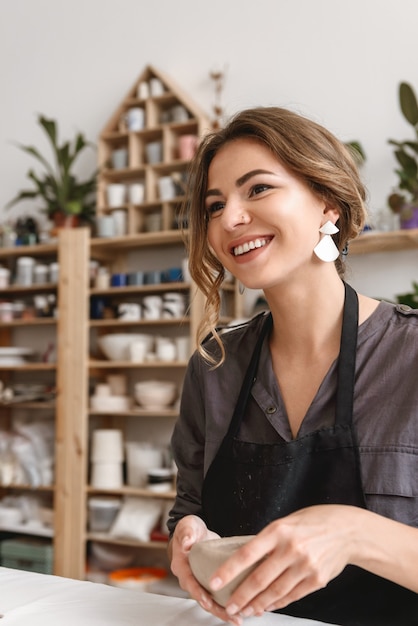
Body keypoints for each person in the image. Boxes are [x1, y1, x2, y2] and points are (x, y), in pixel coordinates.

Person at [167, 107, 418, 626]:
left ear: (327, 203)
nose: (230, 218)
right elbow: (190, 509)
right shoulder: (214, 367)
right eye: (215, 206)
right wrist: (189, 535)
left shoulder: (409, 356)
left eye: (257, 189)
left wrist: (354, 534)